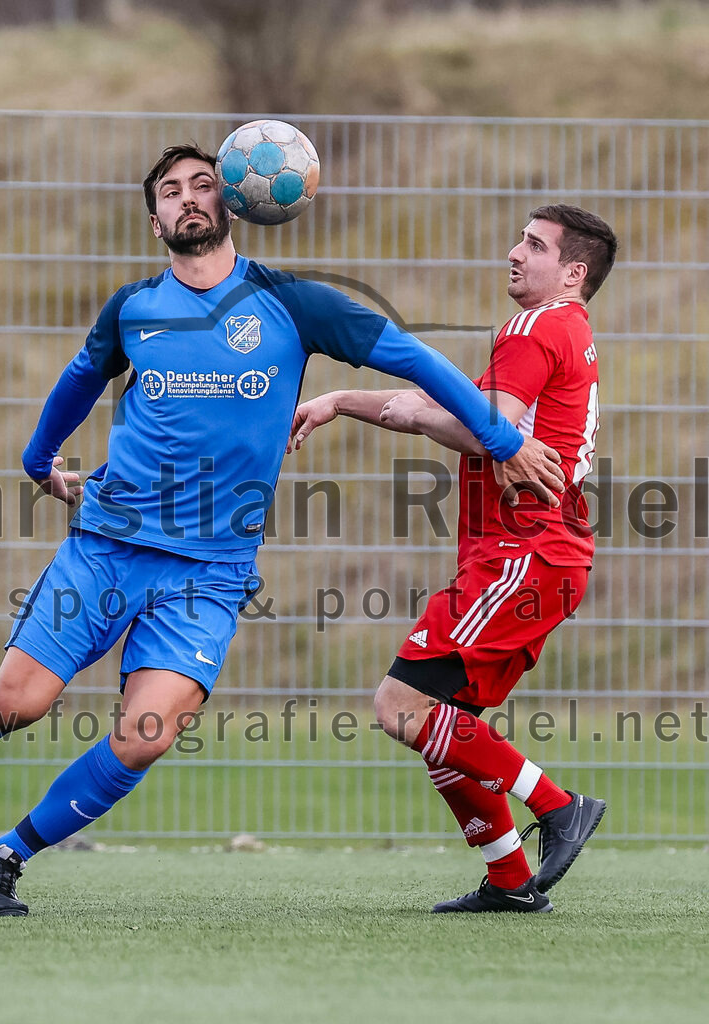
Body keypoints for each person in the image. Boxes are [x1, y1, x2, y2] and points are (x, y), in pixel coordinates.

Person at [0, 145, 563, 917]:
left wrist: (504, 437)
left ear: (234, 202)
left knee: (145, 732)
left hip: (208, 573)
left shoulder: (294, 305)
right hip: (108, 545)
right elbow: (81, 377)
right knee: (20, 702)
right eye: (171, 191)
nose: (188, 198)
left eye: (202, 185)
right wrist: (38, 458)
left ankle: (5, 857)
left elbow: (415, 359)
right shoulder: (133, 308)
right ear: (156, 222)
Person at [291, 204, 618, 913]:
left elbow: (485, 434)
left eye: (533, 245)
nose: (513, 252)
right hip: (534, 558)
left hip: (522, 555)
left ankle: (559, 808)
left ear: (572, 272)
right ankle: (509, 882)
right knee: (442, 720)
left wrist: (359, 402)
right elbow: (461, 415)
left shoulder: (534, 328)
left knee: (400, 707)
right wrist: (345, 399)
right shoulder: (570, 331)